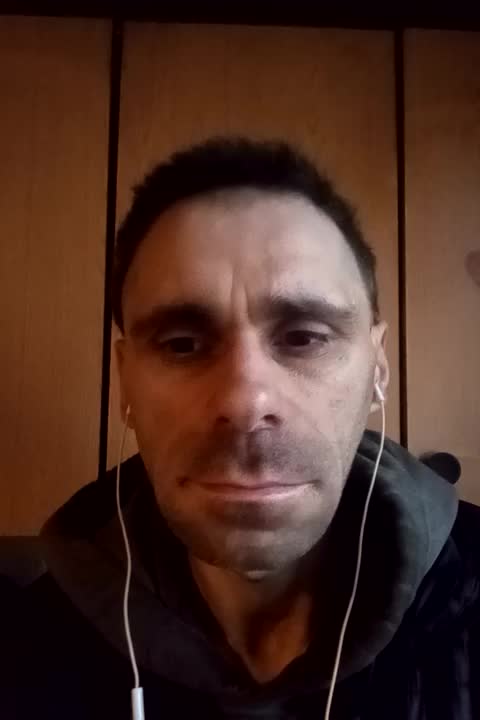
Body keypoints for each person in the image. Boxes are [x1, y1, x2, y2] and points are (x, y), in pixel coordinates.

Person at [3, 137, 479, 719]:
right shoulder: (28, 652)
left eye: (304, 337)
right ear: (125, 382)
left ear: (377, 369)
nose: (246, 402)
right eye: (182, 344)